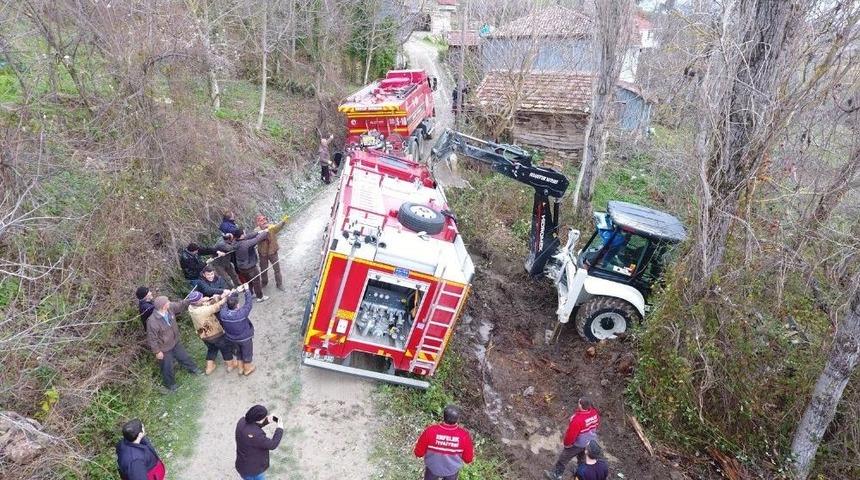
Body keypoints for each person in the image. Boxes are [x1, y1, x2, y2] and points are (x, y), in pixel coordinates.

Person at [146, 295, 201, 392]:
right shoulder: (152, 321)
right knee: (167, 367)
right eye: (167, 302)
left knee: (184, 357)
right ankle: (171, 385)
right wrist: (157, 351)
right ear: (163, 306)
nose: (169, 303)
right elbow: (152, 339)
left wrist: (191, 299)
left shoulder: (170, 308)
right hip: (164, 348)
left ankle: (193, 369)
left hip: (175, 342)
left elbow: (180, 305)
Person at [544, 397, 601, 480]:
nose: (577, 403)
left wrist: (567, 444)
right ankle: (580, 475)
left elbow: (571, 435)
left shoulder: (577, 420)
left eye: (579, 403)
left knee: (563, 458)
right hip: (589, 442)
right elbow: (597, 424)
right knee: (582, 460)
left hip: (578, 444)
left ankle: (556, 475)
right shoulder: (594, 413)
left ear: (581, 406)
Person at [414, 404, 474, 480]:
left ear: (443, 416)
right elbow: (468, 459)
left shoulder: (430, 431)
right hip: (451, 471)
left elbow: (419, 453)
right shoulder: (464, 435)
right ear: (457, 419)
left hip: (432, 468)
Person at [187, 290, 237, 375]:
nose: (203, 298)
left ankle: (209, 367)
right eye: (201, 298)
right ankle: (230, 364)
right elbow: (216, 307)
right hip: (214, 334)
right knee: (225, 348)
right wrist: (225, 298)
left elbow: (206, 304)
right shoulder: (201, 311)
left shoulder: (191, 307)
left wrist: (218, 297)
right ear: (197, 301)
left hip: (203, 335)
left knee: (212, 348)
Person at [235, 404, 284, 480]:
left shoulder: (241, 421)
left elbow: (252, 427)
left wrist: (267, 421)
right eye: (264, 418)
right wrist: (280, 428)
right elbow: (273, 445)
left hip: (242, 465)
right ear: (259, 420)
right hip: (254, 470)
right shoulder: (257, 435)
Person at [220, 285, 257, 375]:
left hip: (232, 338)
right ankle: (247, 369)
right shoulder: (241, 313)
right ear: (237, 305)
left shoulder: (223, 313)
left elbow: (226, 303)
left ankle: (240, 368)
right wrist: (247, 290)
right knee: (247, 352)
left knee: (239, 352)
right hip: (244, 338)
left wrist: (235, 293)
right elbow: (248, 304)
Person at [254, 214, 289, 291]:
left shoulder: (271, 227)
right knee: (263, 270)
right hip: (263, 254)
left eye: (264, 219)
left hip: (273, 252)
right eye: (261, 220)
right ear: (258, 223)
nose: (264, 221)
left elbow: (278, 227)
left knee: (277, 269)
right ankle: (264, 282)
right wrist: (265, 230)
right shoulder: (256, 230)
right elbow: (258, 237)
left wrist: (283, 222)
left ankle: (279, 284)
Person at [234, 228, 270, 302]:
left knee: (248, 281)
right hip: (250, 267)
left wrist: (258, 232)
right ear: (241, 236)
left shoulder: (235, 242)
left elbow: (248, 236)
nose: (245, 234)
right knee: (256, 281)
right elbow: (257, 239)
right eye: (244, 233)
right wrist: (265, 232)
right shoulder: (245, 244)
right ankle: (260, 297)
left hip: (241, 267)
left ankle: (250, 294)